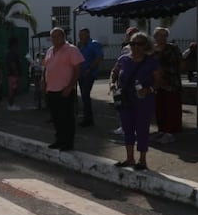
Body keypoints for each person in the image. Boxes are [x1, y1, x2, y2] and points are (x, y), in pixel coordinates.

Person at [113, 33, 162, 171]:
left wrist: (149, 89)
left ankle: (142, 160)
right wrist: (112, 83)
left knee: (142, 129)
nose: (135, 47)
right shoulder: (123, 59)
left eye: (139, 44)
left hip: (143, 101)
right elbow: (114, 71)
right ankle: (130, 158)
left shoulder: (152, 62)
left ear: (146, 45)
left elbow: (159, 81)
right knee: (127, 128)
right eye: (133, 44)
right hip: (125, 99)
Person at [42, 28, 84, 151]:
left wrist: (70, 86)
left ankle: (68, 143)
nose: (55, 39)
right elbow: (46, 68)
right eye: (53, 37)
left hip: (65, 89)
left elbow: (77, 70)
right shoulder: (50, 50)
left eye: (57, 36)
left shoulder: (72, 49)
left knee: (67, 118)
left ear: (63, 36)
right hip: (51, 89)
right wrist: (43, 82)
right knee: (56, 117)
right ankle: (59, 140)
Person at [152, 27, 183, 143]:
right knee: (160, 108)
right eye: (160, 35)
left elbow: (181, 63)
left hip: (171, 82)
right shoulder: (152, 50)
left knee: (171, 108)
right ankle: (162, 130)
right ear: (155, 37)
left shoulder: (173, 48)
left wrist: (173, 75)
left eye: (165, 35)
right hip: (157, 83)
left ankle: (170, 133)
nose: (163, 38)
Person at [76, 28, 101, 127]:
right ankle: (87, 117)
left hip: (89, 74)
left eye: (82, 34)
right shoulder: (81, 45)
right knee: (84, 96)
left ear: (87, 34)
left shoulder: (94, 44)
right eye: (79, 34)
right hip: (81, 74)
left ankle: (88, 119)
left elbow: (99, 58)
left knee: (85, 95)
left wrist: (90, 69)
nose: (80, 36)